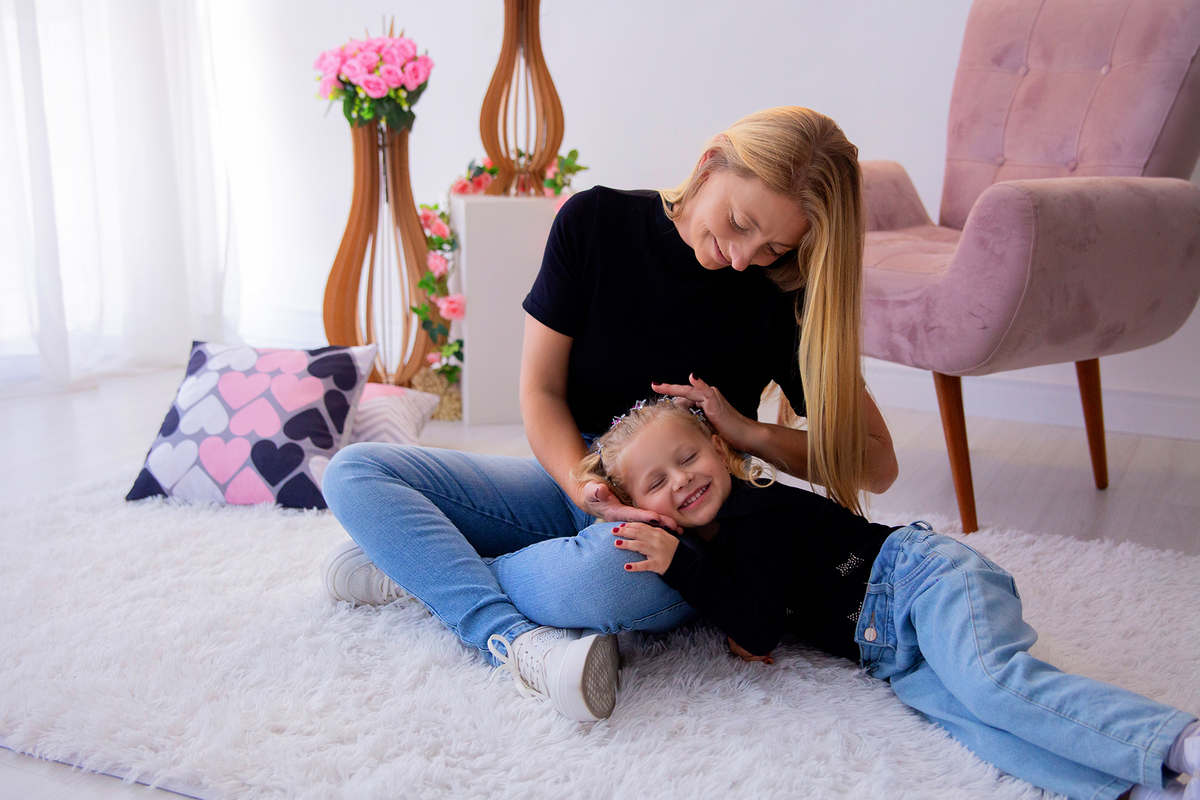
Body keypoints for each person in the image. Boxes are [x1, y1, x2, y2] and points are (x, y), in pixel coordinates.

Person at [320, 107, 899, 722]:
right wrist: (583, 484)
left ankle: (423, 568)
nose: (741, 257)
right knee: (355, 473)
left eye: (774, 247)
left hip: (678, 521)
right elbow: (540, 391)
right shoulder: (595, 222)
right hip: (577, 473)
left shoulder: (783, 291)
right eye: (739, 223)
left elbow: (876, 463)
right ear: (710, 164)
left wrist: (745, 431)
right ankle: (511, 634)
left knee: (607, 578)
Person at [573, 397, 1200, 800]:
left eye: (689, 457)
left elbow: (757, 628)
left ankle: (1178, 742)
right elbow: (746, 614)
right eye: (656, 482)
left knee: (990, 681)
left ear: (723, 452)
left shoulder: (759, 515)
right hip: (891, 652)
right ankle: (1131, 784)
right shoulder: (710, 547)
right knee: (973, 723)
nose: (681, 479)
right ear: (636, 502)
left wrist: (685, 568)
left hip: (919, 580)